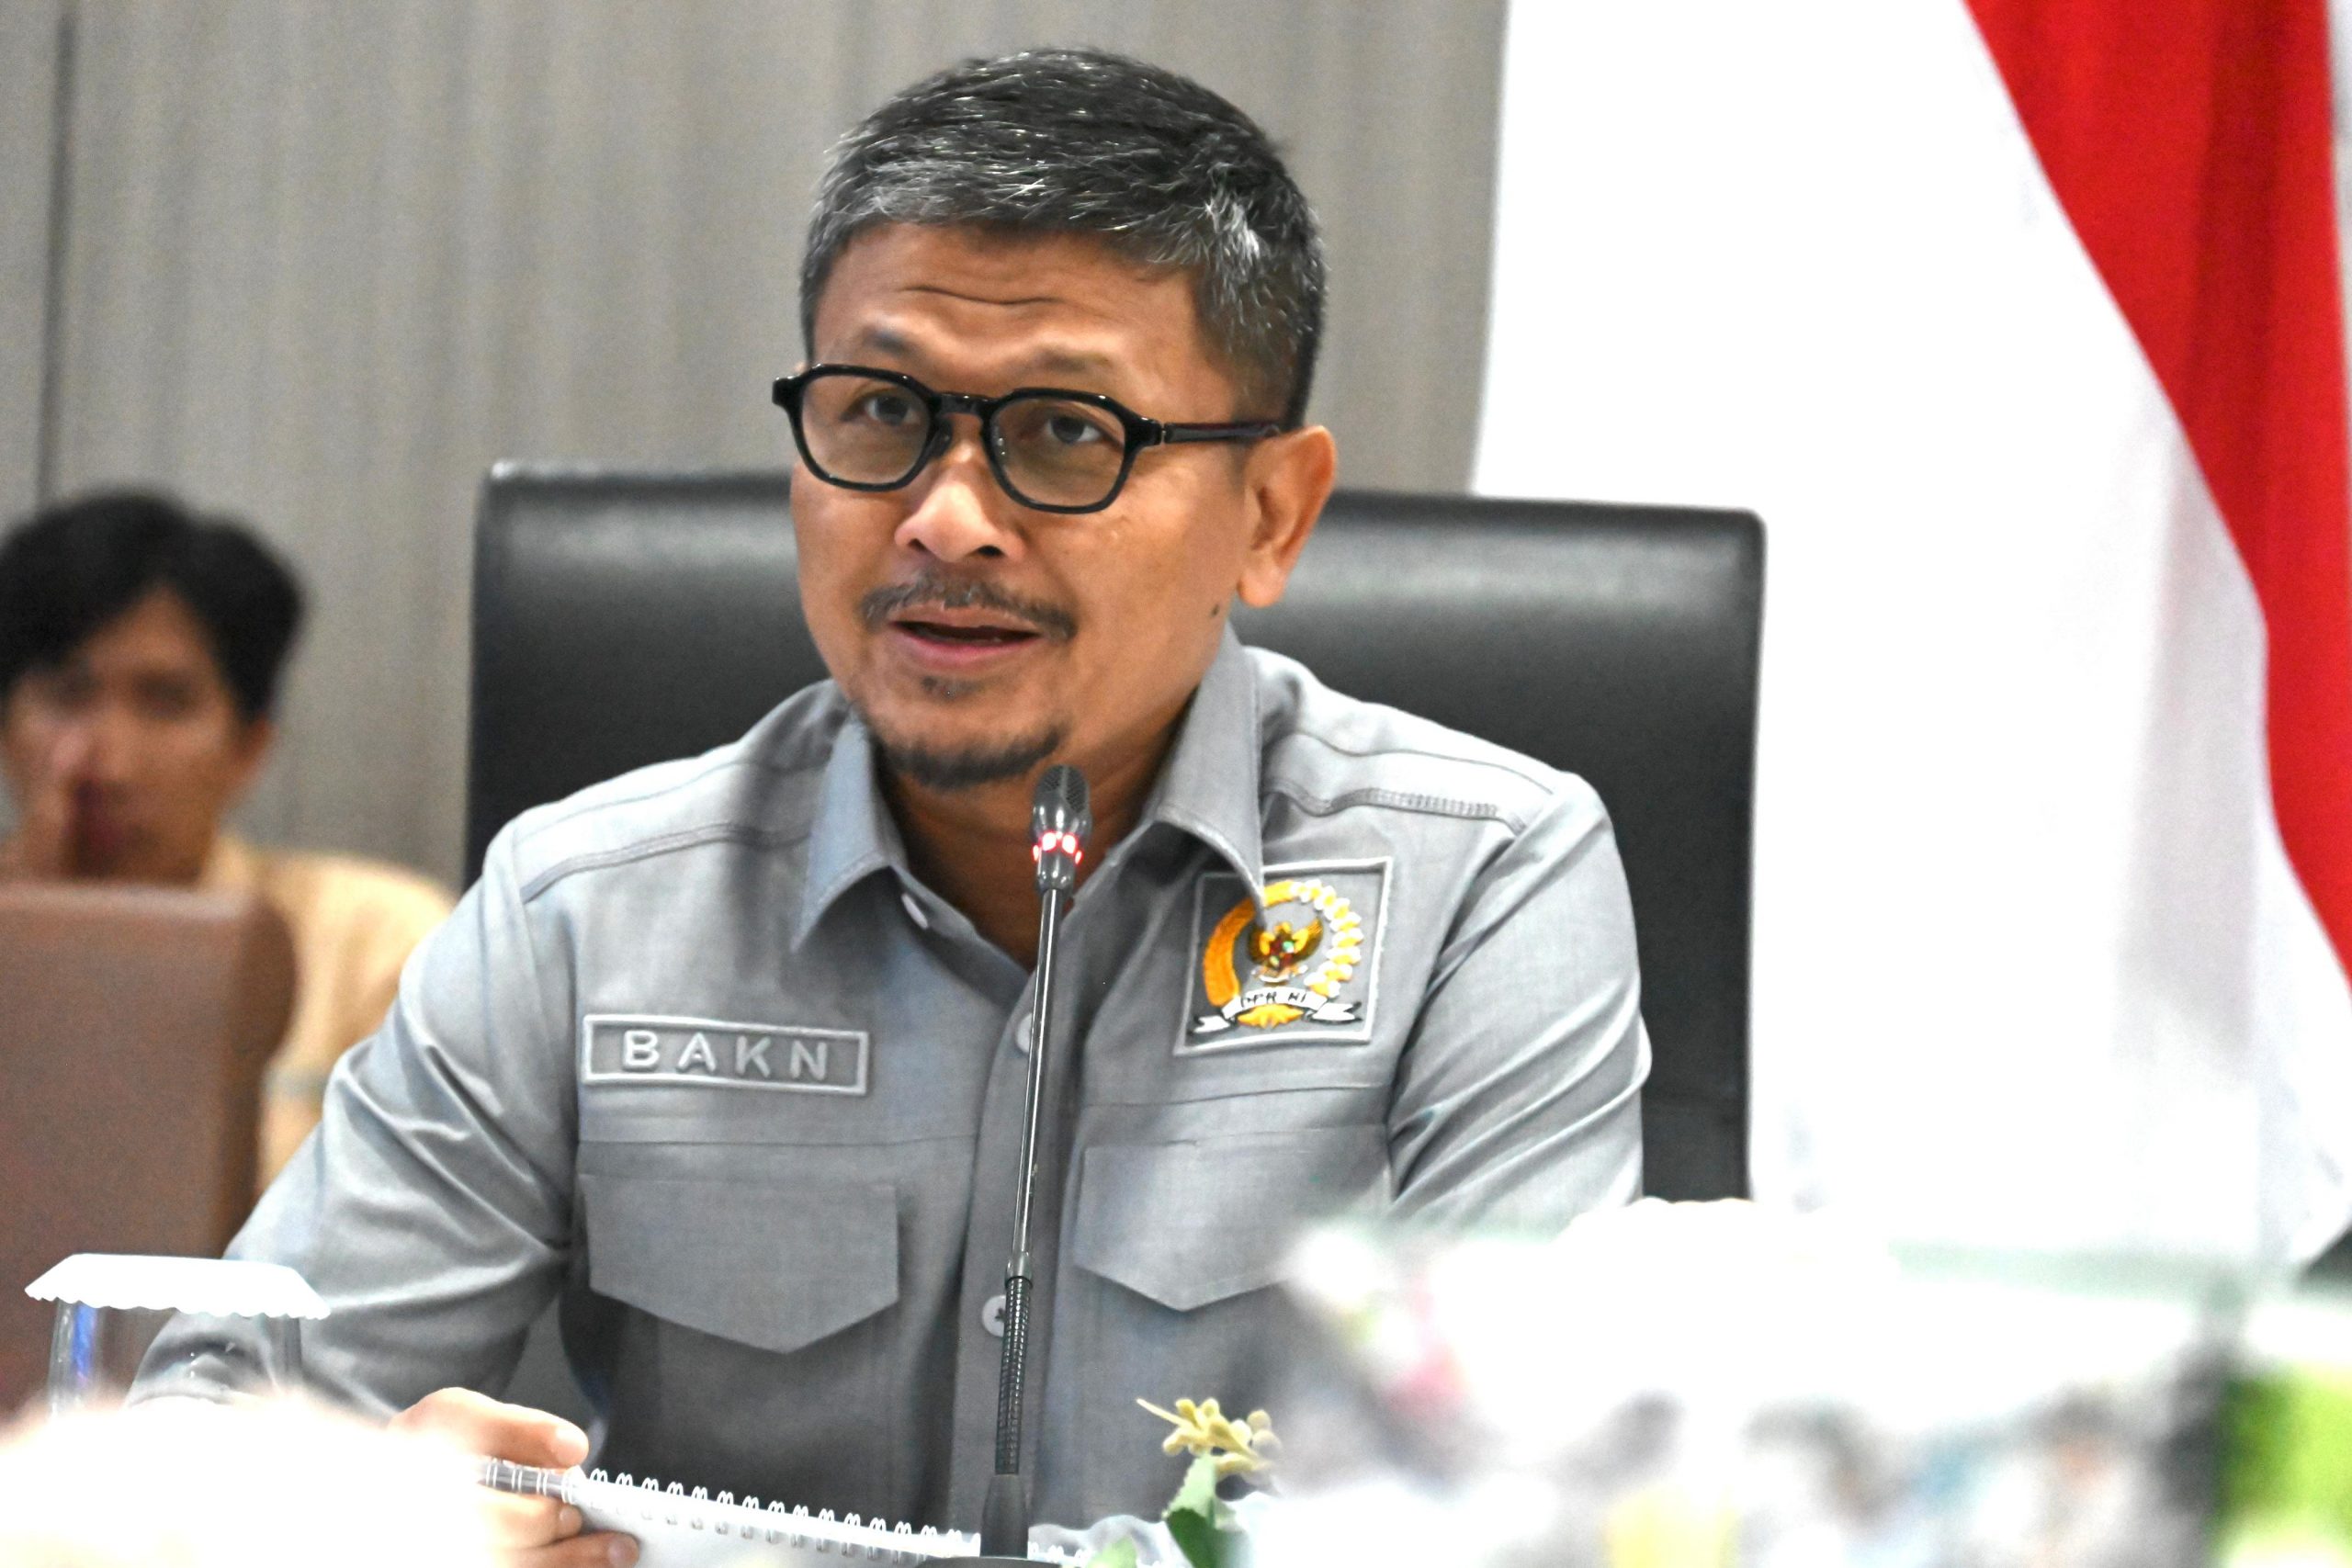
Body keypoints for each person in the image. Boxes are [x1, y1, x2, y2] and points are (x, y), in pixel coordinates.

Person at [185, 47, 1650, 1557]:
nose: (947, 518)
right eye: (882, 409)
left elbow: (1524, 1508)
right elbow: (204, 1422)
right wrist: (344, 1512)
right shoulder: (585, 912)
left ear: (1269, 513)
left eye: (1068, 431)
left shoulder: (1480, 888)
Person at [0, 491, 455, 1184]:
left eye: (165, 702)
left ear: (249, 746)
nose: (109, 764)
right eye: (68, 694)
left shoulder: (378, 941)